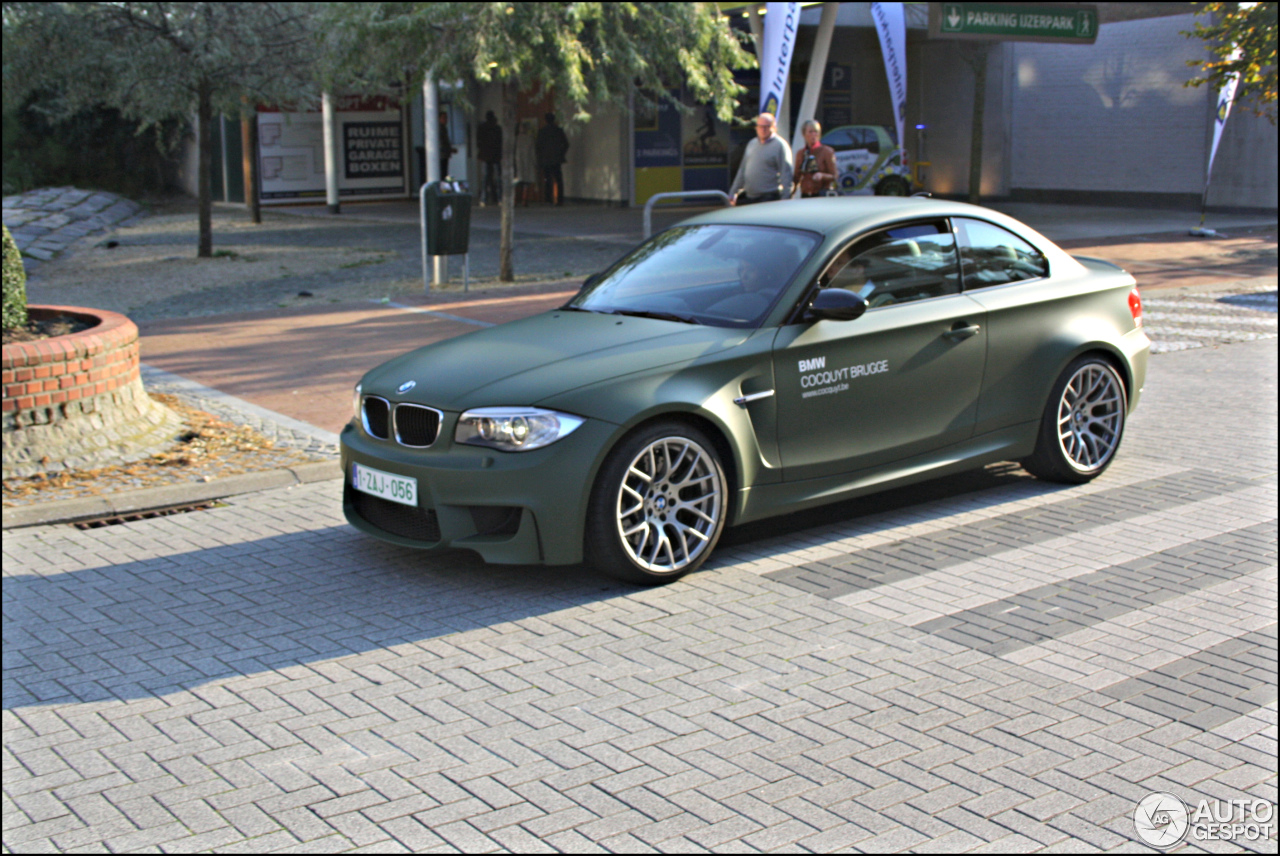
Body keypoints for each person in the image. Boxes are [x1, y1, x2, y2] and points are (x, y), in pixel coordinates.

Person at [728, 112, 793, 205]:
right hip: (750, 197)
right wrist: (733, 192)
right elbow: (742, 170)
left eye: (766, 126)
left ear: (774, 128)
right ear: (756, 128)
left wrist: (785, 199)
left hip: (769, 198)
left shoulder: (780, 146)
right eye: (760, 126)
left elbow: (786, 175)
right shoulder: (751, 144)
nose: (763, 129)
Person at [793, 119, 837, 198]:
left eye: (816, 131)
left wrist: (822, 175)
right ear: (804, 134)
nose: (813, 134)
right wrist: (792, 191)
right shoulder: (801, 153)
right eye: (810, 132)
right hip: (806, 194)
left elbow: (834, 176)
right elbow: (797, 176)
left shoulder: (827, 151)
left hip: (821, 194)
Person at [536, 112, 570, 205]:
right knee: (558, 179)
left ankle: (548, 198)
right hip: (557, 158)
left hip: (546, 159)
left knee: (547, 179)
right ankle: (560, 199)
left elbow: (538, 146)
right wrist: (561, 153)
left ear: (545, 120)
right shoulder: (559, 130)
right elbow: (566, 144)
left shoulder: (542, 131)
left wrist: (540, 157)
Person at [476, 110, 502, 205]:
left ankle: (484, 199)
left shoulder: (482, 128)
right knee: (497, 178)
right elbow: (500, 143)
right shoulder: (497, 128)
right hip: (495, 156)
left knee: (485, 179)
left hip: (485, 156)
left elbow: (479, 142)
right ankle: (499, 198)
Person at [438, 110, 457, 180]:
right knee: (443, 172)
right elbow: (442, 143)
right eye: (444, 118)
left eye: (446, 118)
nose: (446, 120)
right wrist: (450, 150)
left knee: (444, 172)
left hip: (444, 154)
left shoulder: (443, 128)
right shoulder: (440, 129)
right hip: (442, 155)